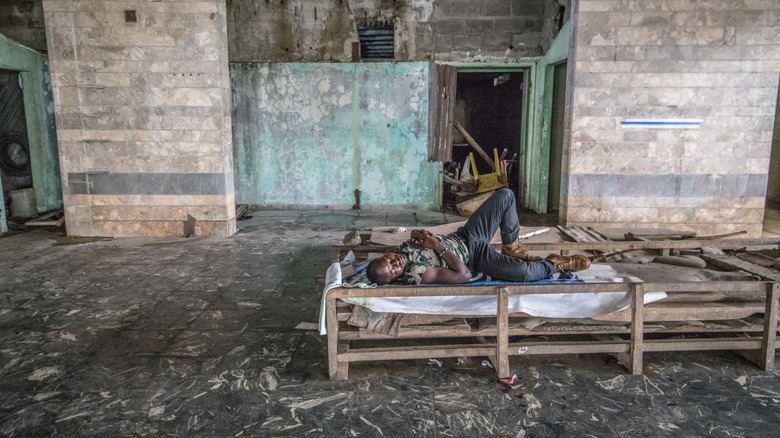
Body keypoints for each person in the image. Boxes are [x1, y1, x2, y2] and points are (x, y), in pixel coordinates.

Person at [366, 188, 590, 285]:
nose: (396, 263)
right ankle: (556, 264)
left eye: (390, 261)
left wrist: (422, 235)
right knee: (523, 273)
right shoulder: (417, 274)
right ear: (396, 279)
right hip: (476, 257)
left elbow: (418, 240)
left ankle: (511, 245)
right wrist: (437, 246)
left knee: (505, 196)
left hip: (466, 234)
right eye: (394, 270)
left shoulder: (400, 250)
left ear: (387, 254)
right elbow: (463, 275)